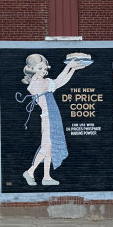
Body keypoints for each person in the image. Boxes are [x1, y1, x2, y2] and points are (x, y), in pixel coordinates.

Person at [18, 53, 87, 186]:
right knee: (46, 146)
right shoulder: (37, 84)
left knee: (49, 147)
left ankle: (46, 176)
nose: (43, 71)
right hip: (48, 117)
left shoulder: (41, 82)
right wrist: (69, 68)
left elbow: (59, 82)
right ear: (31, 69)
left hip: (52, 116)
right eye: (40, 68)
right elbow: (58, 82)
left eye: (45, 69)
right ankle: (30, 171)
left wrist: (72, 69)